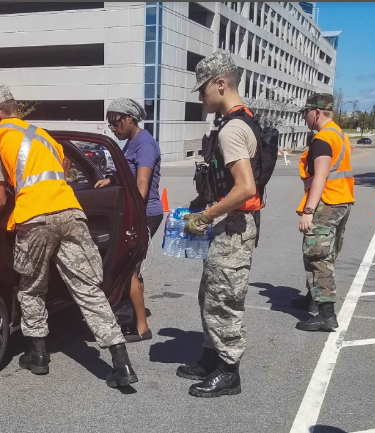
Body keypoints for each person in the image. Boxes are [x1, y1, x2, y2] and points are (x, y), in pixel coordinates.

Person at [0, 85, 138, 388]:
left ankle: (37, 356)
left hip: (35, 218)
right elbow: (62, 173)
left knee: (31, 287)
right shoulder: (44, 136)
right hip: (70, 212)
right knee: (87, 288)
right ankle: (122, 364)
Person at [175, 51, 262, 398]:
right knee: (211, 295)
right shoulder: (241, 122)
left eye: (203, 89)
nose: (200, 97)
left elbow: (245, 188)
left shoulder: (232, 130)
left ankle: (228, 373)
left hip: (234, 227)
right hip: (230, 225)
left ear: (220, 84)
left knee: (224, 299)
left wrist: (206, 216)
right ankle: (211, 358)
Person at [94, 98, 164, 343]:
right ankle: (136, 320)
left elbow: (141, 185)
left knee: (126, 268)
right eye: (111, 124)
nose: (113, 128)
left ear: (129, 118)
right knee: (131, 267)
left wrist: (132, 216)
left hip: (144, 212)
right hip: (138, 211)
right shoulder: (131, 143)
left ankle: (142, 327)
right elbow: (127, 174)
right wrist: (111, 181)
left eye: (115, 122)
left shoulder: (144, 144)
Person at [292, 93, 354, 332]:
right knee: (324, 253)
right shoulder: (338, 132)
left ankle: (326, 314)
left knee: (317, 255)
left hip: (327, 202)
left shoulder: (323, 139)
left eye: (306, 113)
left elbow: (321, 175)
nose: (305, 118)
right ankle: (312, 298)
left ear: (316, 112)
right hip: (341, 200)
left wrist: (309, 210)